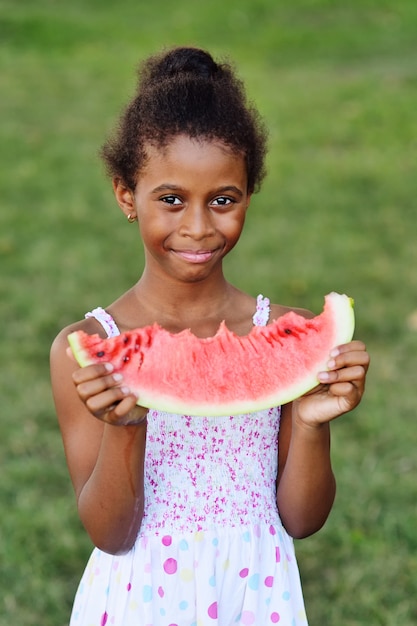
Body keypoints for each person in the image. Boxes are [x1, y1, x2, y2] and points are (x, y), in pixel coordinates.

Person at [50, 46, 370, 626]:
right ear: (127, 196)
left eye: (224, 200)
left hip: (258, 595)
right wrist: (124, 429)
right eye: (171, 200)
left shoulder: (281, 330)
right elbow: (111, 533)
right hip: (137, 602)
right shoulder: (88, 346)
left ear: (249, 193)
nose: (198, 227)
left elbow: (301, 520)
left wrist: (309, 422)